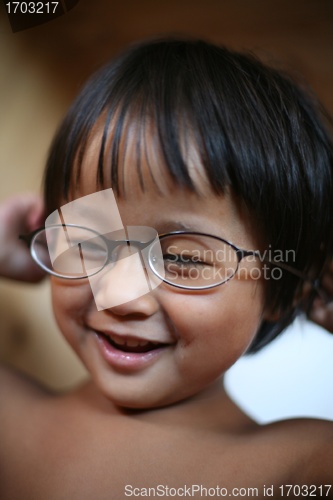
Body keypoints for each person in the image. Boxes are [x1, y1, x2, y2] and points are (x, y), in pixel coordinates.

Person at [1, 38, 333, 499]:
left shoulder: (300, 465)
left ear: (283, 287)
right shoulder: (12, 418)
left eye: (181, 257)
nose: (121, 296)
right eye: (89, 241)